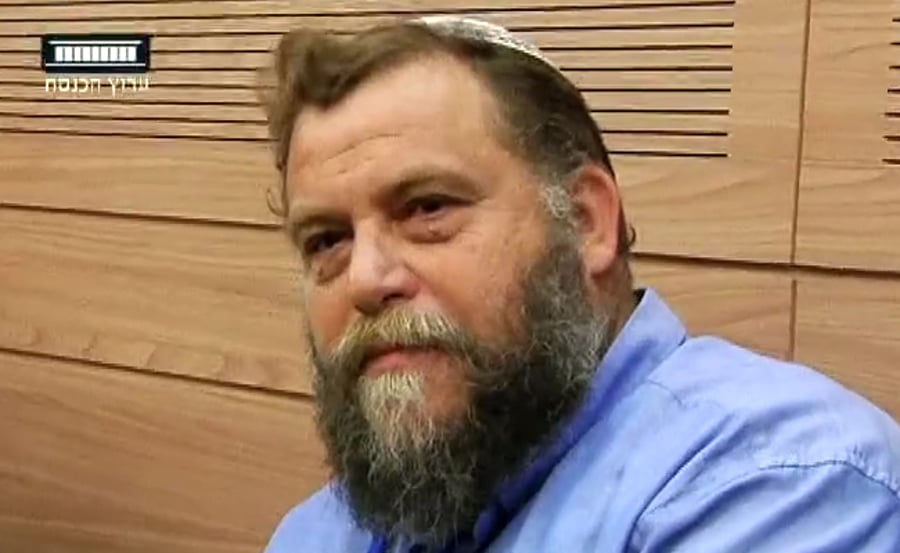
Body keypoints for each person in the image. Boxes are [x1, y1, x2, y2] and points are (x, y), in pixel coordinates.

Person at [258, 15, 900, 553]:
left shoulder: (777, 483)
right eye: (327, 240)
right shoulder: (328, 527)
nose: (365, 280)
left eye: (428, 208)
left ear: (586, 222)